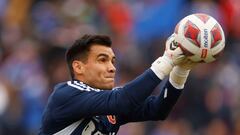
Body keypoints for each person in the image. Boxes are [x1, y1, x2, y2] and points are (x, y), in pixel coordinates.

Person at [39, 34, 196, 135]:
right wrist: (167, 60)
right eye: (102, 60)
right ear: (78, 67)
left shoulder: (109, 106)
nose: (112, 68)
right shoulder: (66, 94)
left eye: (113, 61)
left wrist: (181, 70)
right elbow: (122, 100)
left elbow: (158, 110)